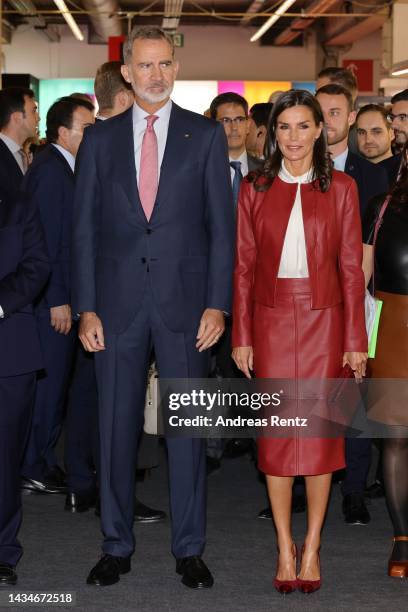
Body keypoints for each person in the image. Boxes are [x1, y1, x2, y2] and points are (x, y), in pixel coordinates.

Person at [71, 25, 234, 588]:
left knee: (187, 431)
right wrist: (86, 308)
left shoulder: (206, 137)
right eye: (145, 66)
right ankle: (116, 544)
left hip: (187, 307)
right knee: (115, 431)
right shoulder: (99, 139)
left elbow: (222, 231)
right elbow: (83, 231)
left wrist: (218, 304)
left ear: (175, 68)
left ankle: (189, 548)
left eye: (165, 64)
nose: (156, 75)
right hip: (114, 308)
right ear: (126, 72)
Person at [232, 89, 367, 594]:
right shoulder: (254, 187)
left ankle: (312, 545)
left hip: (326, 322)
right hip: (267, 322)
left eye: (302, 126)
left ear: (321, 131)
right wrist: (241, 335)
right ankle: (282, 546)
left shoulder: (344, 188)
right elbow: (242, 268)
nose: (293, 137)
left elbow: (352, 271)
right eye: (283, 127)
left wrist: (356, 339)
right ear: (272, 134)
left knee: (318, 436)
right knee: (277, 436)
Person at [21, 96, 95, 497]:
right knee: (46, 389)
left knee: (53, 387)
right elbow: (47, 245)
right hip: (53, 302)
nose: (93, 133)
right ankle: (34, 464)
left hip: (58, 297)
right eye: (86, 127)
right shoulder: (52, 171)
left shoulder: (63, 167)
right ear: (63, 133)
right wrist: (57, 299)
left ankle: (42, 460)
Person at [362, 145, 408, 578]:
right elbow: (361, 274)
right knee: (395, 438)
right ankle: (401, 539)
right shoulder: (382, 206)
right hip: (391, 327)